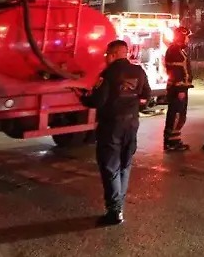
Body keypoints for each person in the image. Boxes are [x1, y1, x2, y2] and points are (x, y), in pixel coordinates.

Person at [80, 39, 150, 226]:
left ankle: (114, 212)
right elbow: (146, 95)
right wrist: (134, 105)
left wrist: (82, 97)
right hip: (131, 124)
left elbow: (97, 101)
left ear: (113, 54)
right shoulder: (139, 71)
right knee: (125, 165)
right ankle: (119, 207)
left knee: (110, 167)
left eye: (107, 54)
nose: (106, 58)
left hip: (111, 126)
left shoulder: (108, 73)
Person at [162, 26, 193, 152]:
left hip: (177, 88)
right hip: (178, 89)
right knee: (177, 115)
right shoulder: (176, 51)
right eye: (187, 37)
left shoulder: (176, 50)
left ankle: (174, 140)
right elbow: (176, 71)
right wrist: (181, 89)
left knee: (177, 115)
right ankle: (171, 142)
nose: (188, 40)